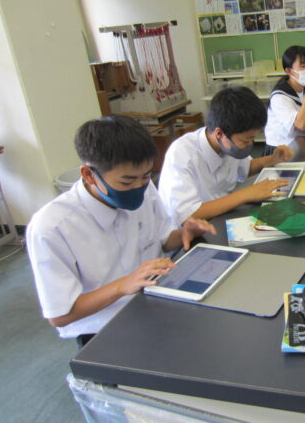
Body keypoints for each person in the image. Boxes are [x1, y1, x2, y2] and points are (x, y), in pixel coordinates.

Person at [27, 116, 215, 348]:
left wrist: (185, 232)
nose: (138, 187)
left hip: (158, 303)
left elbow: (163, 240)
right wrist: (122, 285)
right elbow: (60, 314)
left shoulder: (144, 188)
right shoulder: (52, 227)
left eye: (146, 176)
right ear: (88, 175)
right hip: (105, 329)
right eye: (126, 183)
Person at [158, 85, 294, 224]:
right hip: (194, 231)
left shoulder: (227, 143)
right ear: (219, 133)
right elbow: (187, 215)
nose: (250, 145)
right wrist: (247, 194)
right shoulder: (182, 155)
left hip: (222, 218)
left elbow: (246, 168)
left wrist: (272, 160)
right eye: (246, 140)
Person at [263, 46, 305, 154]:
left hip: (299, 142)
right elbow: (301, 125)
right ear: (289, 71)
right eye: (303, 66)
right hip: (280, 149)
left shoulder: (304, 86)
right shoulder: (279, 97)